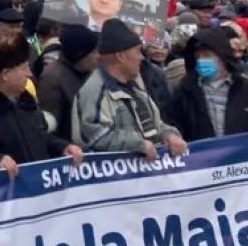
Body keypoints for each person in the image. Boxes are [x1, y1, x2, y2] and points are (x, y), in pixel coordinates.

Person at [0, 34, 83, 175]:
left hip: (37, 184)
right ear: (6, 74)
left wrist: (61, 147)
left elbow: (39, 137)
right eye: (24, 68)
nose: (29, 74)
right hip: (7, 192)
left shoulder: (25, 100)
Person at [74, 19, 188, 159]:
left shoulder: (135, 86)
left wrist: (169, 135)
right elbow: (94, 136)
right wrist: (138, 144)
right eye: (137, 52)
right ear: (121, 56)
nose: (141, 58)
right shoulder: (95, 90)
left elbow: (155, 124)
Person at [169, 28, 248, 141]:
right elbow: (175, 127)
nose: (201, 61)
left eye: (207, 55)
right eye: (197, 57)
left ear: (222, 56)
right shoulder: (184, 93)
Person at [37, 25, 99, 142]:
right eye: (93, 52)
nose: (98, 57)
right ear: (80, 54)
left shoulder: (90, 73)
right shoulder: (52, 80)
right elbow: (49, 128)